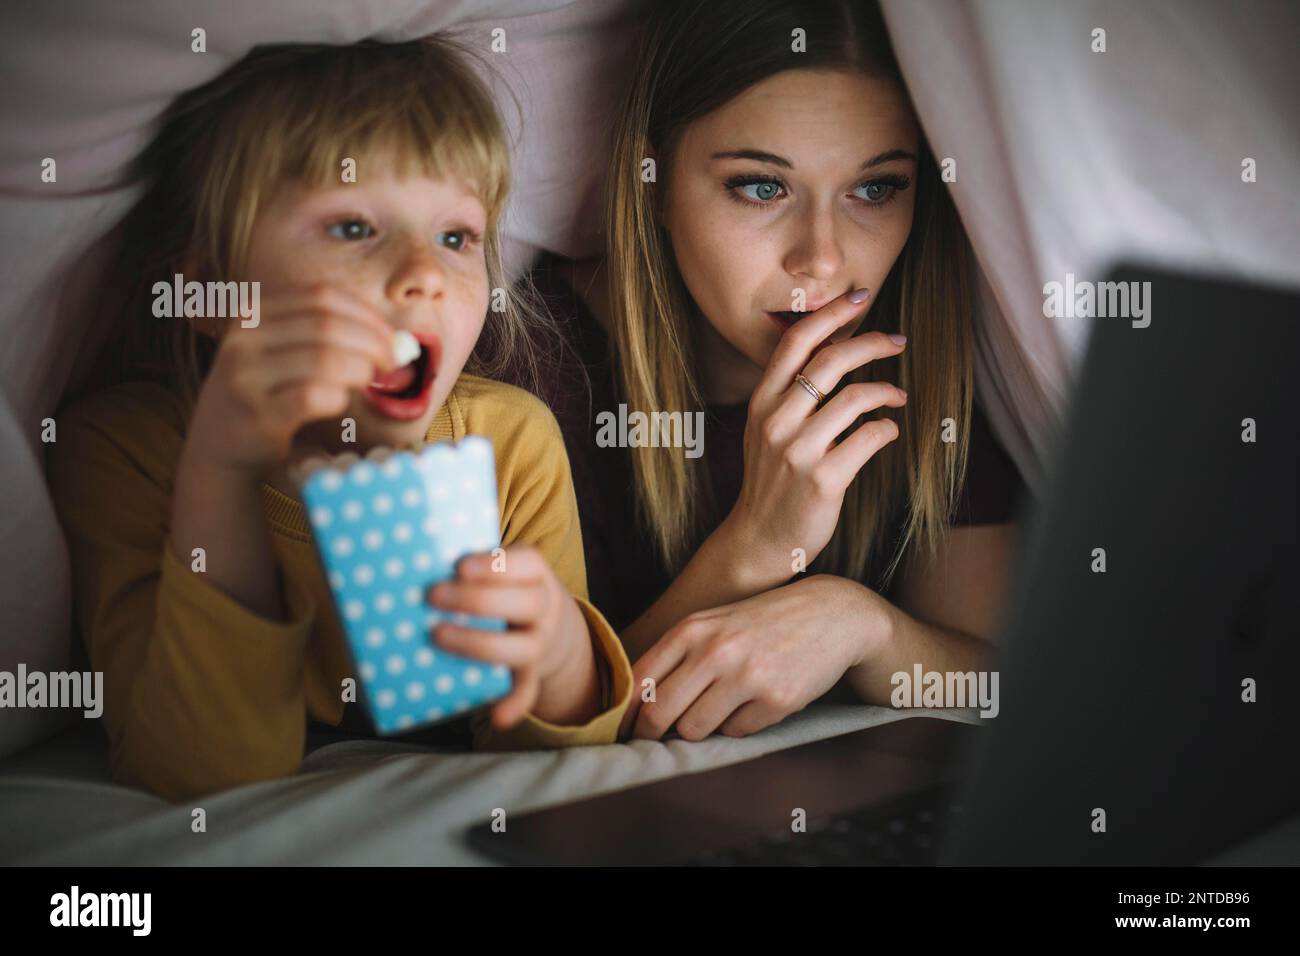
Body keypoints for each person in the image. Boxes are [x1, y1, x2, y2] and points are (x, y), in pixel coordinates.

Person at [46, 37, 632, 802]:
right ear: (210, 289)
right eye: (354, 228)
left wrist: (558, 659)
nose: (424, 275)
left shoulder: (511, 442)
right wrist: (220, 468)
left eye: (455, 238)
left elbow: (554, 757)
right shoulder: (121, 451)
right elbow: (198, 770)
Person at [523, 0, 1028, 741]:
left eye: (876, 188)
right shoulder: (534, 366)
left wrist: (862, 628)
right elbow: (522, 737)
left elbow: (994, 674)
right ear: (653, 182)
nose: (821, 259)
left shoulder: (923, 358)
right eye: (762, 187)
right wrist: (755, 544)